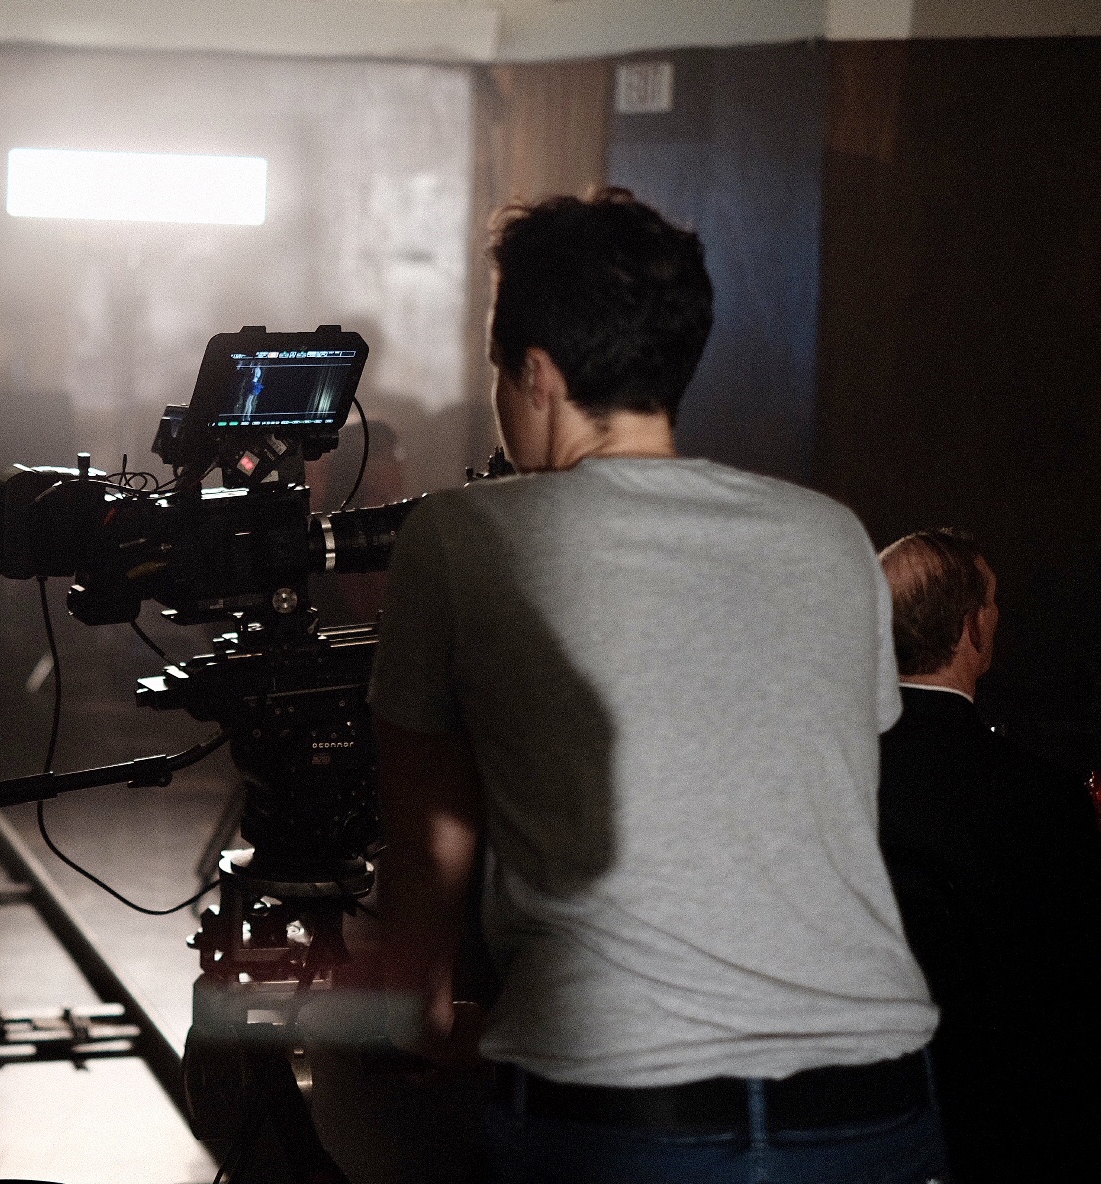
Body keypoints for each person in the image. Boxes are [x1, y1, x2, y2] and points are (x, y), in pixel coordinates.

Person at [368, 189, 945, 1183]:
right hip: (876, 1101)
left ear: (537, 374)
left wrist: (413, 1019)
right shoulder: (831, 535)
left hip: (626, 1117)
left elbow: (430, 848)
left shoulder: (462, 536)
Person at [876, 528, 1101, 1181]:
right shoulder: (1041, 797)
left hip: (861, 1110)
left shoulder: (830, 776)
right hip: (1003, 1127)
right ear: (974, 627)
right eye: (993, 603)